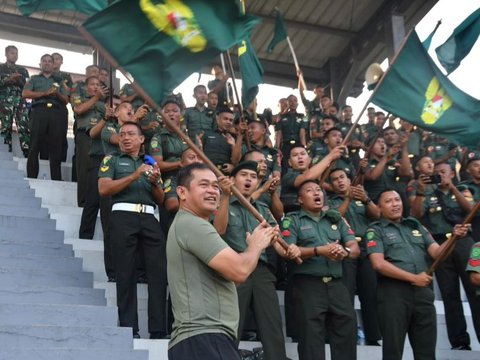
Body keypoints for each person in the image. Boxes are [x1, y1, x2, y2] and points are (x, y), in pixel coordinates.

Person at [167, 163, 277, 360]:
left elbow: (230, 279)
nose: (212, 191)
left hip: (204, 338)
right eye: (203, 185)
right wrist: (256, 246)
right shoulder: (193, 224)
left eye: (215, 186)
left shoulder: (194, 224)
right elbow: (240, 271)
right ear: (182, 192)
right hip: (204, 337)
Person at [366, 189, 471, 360]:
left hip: (422, 294)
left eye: (397, 200)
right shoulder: (375, 230)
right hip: (394, 294)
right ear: (379, 207)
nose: (395, 204)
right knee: (393, 350)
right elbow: (378, 264)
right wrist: (414, 278)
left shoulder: (416, 225)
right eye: (389, 201)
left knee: (426, 351)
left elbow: (437, 253)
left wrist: (454, 238)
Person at [214, 160, 300, 360]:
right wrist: (226, 195)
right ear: (232, 179)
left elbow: (278, 243)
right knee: (231, 323)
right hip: (233, 266)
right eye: (243, 175)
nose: (248, 180)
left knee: (272, 325)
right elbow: (219, 230)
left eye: (253, 177)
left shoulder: (262, 209)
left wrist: (291, 251)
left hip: (261, 270)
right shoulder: (220, 200)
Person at [98, 121, 167, 339]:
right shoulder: (112, 159)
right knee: (125, 273)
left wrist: (155, 183)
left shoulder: (150, 164)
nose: (126, 138)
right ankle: (130, 328)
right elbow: (104, 189)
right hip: (122, 216)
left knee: (158, 273)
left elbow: (162, 199)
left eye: (131, 134)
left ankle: (157, 329)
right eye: (122, 134)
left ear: (141, 139)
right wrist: (134, 176)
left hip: (148, 217)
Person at [282, 180, 360, 360]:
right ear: (300, 200)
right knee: (311, 336)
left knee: (346, 329)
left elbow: (354, 248)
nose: (317, 193)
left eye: (319, 190)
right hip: (308, 285)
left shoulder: (336, 218)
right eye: (310, 191)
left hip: (337, 285)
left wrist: (344, 252)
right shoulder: (292, 220)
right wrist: (318, 251)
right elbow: (289, 251)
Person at [410, 162, 480, 350]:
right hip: (440, 244)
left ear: (451, 174)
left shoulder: (463, 189)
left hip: (464, 242)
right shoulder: (428, 193)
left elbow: (471, 210)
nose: (440, 175)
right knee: (449, 295)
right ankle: (459, 341)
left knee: (475, 291)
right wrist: (421, 191)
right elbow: (416, 215)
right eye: (437, 173)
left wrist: (453, 188)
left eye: (444, 172)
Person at [328, 167, 382, 346]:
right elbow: (335, 219)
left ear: (350, 179)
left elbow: (377, 215)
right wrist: (349, 199)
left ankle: (373, 337)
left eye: (342, 177)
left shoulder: (362, 197)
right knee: (346, 295)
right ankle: (348, 336)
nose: (339, 181)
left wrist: (366, 199)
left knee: (370, 294)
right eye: (335, 179)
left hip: (366, 249)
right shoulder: (331, 201)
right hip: (345, 250)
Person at [23, 54, 69, 180]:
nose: (47, 63)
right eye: (44, 61)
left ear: (54, 64)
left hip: (55, 113)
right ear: (41, 63)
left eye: (50, 61)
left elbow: (66, 100)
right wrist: (44, 93)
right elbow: (25, 93)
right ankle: (31, 176)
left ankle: (56, 178)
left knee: (56, 146)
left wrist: (57, 93)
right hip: (39, 111)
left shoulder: (60, 80)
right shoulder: (34, 79)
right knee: (35, 144)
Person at [71, 76, 108, 207]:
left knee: (100, 170)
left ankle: (97, 202)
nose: (96, 87)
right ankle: (83, 202)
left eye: (98, 84)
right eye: (93, 84)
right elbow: (79, 110)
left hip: (101, 138)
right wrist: (97, 97)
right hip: (85, 136)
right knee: (84, 169)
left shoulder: (103, 103)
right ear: (86, 87)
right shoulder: (78, 97)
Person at [0, 45, 29, 156]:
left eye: (16, 53)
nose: (14, 55)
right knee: (5, 128)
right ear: (6, 54)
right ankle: (5, 154)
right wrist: (8, 80)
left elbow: (27, 87)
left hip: (20, 102)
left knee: (24, 127)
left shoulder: (22, 70)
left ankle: (27, 154)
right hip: (4, 102)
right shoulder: (1, 68)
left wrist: (18, 81)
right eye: (12, 53)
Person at [201, 107, 243, 175]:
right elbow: (198, 153)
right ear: (217, 119)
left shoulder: (235, 139)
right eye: (225, 119)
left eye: (231, 120)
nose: (228, 122)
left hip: (225, 175)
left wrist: (233, 145)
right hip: (206, 172)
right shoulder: (207, 134)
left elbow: (236, 161)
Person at [274, 94, 308, 174]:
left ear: (298, 103)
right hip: (285, 145)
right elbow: (279, 133)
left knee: (298, 167)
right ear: (287, 103)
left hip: (297, 144)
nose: (293, 103)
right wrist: (277, 148)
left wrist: (304, 147)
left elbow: (302, 133)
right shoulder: (281, 117)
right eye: (290, 101)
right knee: (285, 166)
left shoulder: (302, 116)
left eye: (295, 100)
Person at [51, 52, 73, 162]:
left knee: (60, 137)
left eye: (57, 59)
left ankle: (61, 161)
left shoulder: (66, 76)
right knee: (43, 137)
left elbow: (70, 93)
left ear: (61, 62)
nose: (55, 61)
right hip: (44, 109)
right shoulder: (44, 74)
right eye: (53, 59)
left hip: (60, 108)